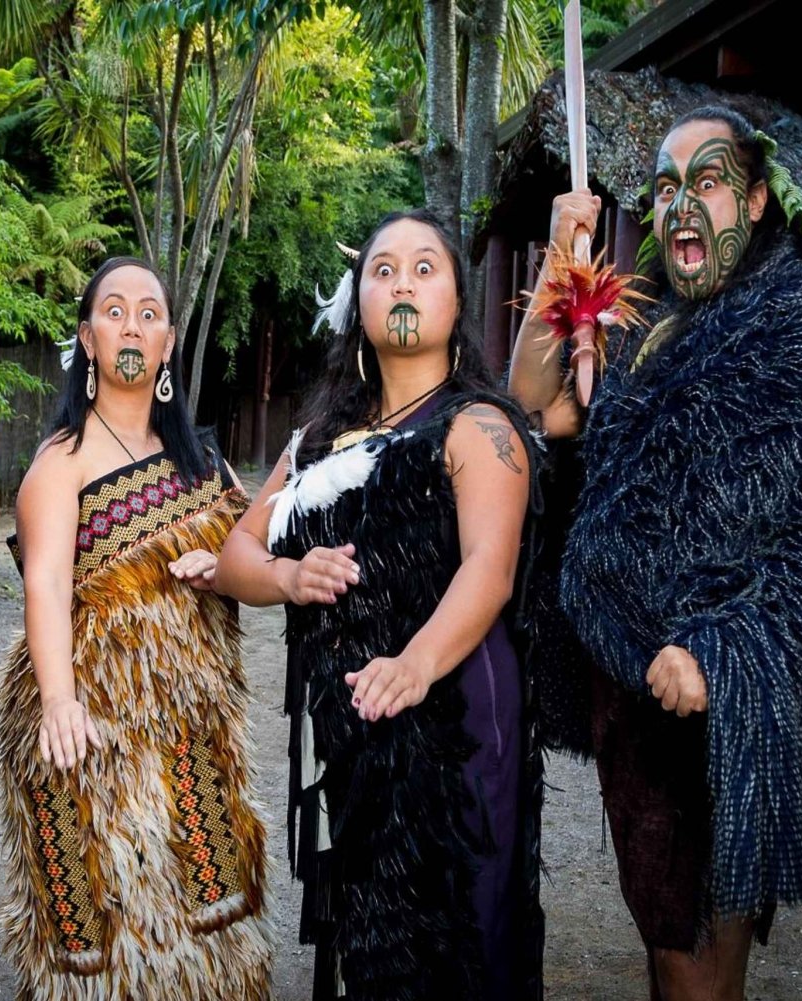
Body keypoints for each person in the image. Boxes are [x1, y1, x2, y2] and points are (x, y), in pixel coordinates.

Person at [509, 106, 802, 1001]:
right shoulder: (648, 334)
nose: (682, 204)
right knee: (668, 947)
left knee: (697, 959)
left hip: (719, 701)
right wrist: (559, 256)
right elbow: (531, 394)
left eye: (710, 181)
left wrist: (719, 652)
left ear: (758, 200)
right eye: (663, 188)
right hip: (633, 692)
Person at [214, 210, 544, 1000]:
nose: (402, 281)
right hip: (349, 731)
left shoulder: (479, 426)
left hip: (457, 715)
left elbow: (489, 572)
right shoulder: (316, 442)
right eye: (384, 268)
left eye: (425, 267)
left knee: (461, 937)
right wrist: (288, 578)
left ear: (457, 302)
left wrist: (415, 664)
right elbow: (236, 557)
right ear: (359, 300)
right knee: (371, 945)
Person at [0, 257, 271, 1001]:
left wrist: (229, 557)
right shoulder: (61, 462)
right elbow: (46, 582)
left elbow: (254, 556)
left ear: (168, 342)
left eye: (149, 313)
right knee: (94, 946)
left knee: (210, 924)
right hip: (87, 729)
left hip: (191, 735)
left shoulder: (204, 463)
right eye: (114, 311)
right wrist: (58, 702)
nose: (132, 325)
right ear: (87, 338)